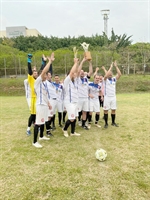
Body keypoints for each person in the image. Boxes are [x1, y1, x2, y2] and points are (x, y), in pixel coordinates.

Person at [33, 53, 55, 148]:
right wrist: (49, 61)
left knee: (43, 121)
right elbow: (43, 72)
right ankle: (34, 142)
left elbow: (45, 96)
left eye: (46, 74)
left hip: (45, 105)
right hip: (40, 105)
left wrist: (49, 103)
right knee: (38, 123)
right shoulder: (37, 82)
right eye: (45, 74)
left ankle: (41, 136)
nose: (46, 75)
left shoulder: (44, 84)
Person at [62, 58, 80, 137]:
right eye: (72, 74)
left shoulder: (75, 81)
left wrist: (79, 62)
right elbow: (72, 72)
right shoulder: (67, 81)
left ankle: (73, 132)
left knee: (75, 118)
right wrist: (75, 63)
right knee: (71, 118)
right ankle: (65, 129)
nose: (74, 74)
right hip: (69, 102)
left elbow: (77, 71)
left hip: (75, 101)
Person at [103, 61, 121, 128]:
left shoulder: (114, 79)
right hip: (107, 97)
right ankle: (106, 123)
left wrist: (116, 66)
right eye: (109, 74)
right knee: (106, 110)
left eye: (111, 74)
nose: (110, 74)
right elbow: (106, 75)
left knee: (113, 110)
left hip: (113, 97)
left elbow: (119, 74)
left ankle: (113, 122)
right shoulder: (105, 80)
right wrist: (110, 68)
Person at [77, 57, 93, 130]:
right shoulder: (77, 79)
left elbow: (91, 72)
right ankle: (73, 122)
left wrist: (89, 62)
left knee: (85, 112)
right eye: (81, 71)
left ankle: (83, 124)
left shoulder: (86, 78)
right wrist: (82, 61)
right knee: (77, 111)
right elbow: (78, 70)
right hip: (79, 98)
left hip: (85, 98)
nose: (82, 72)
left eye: (83, 72)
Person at [26, 54, 38, 135]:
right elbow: (30, 70)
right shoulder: (31, 79)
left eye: (36, 73)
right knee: (33, 115)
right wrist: (29, 61)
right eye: (34, 73)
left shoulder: (38, 80)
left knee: (38, 114)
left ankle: (36, 126)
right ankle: (28, 129)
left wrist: (44, 61)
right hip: (33, 99)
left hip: (39, 99)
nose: (36, 74)